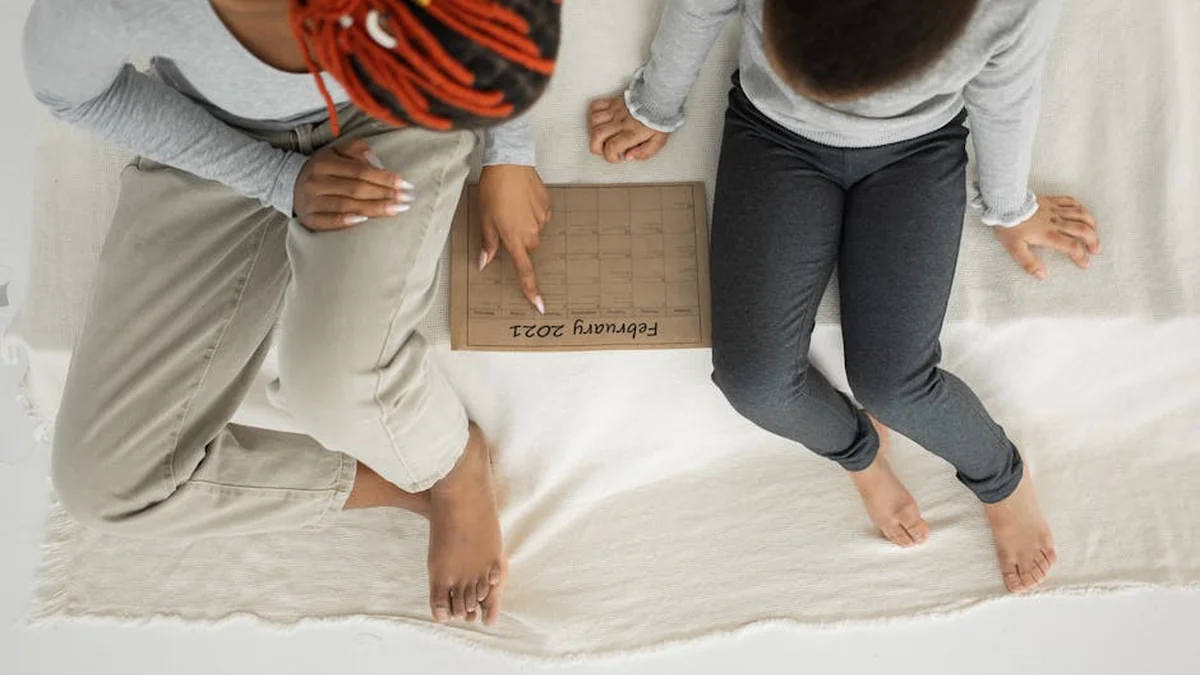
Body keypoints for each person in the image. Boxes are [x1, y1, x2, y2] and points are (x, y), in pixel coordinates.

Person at [22, 0, 562, 625]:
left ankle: (449, 465)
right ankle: (409, 484)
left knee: (334, 386)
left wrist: (508, 151)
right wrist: (279, 180)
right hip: (215, 134)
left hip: (390, 117)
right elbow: (70, 90)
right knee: (105, 484)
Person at [585, 0, 1100, 593]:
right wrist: (656, 103)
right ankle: (860, 453)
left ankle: (1002, 481)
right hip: (775, 133)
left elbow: (1006, 90)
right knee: (755, 384)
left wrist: (1008, 206)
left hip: (917, 147)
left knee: (894, 386)